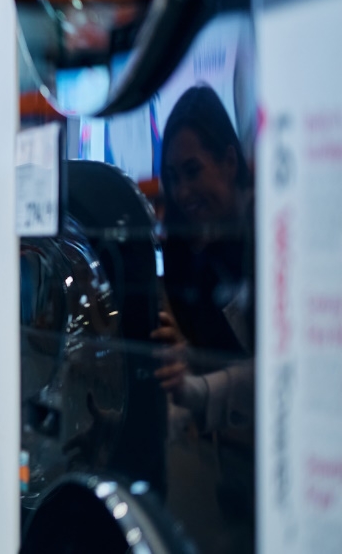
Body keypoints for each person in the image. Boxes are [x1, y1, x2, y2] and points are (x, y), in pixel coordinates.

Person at [153, 84, 255, 552]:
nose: (182, 190)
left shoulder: (266, 230)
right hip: (220, 460)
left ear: (231, 161)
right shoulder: (188, 246)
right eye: (173, 176)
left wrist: (194, 386)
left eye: (193, 171)